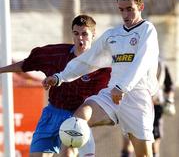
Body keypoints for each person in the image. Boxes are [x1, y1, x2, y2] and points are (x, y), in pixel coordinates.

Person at [43, 0, 159, 157]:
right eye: (121, 10)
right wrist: (60, 76)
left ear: (140, 7)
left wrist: (123, 87)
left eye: (130, 9)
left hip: (137, 98)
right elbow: (88, 60)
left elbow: (141, 62)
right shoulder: (113, 35)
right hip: (112, 94)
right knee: (77, 121)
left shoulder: (147, 30)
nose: (125, 15)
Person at [0, 15, 111, 157]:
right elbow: (28, 64)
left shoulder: (103, 65)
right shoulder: (57, 53)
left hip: (76, 118)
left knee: (68, 153)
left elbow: (116, 88)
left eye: (84, 34)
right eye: (76, 34)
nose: (80, 39)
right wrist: (1, 70)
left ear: (93, 35)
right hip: (53, 112)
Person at [120, 59, 176, 157]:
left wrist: (169, 101)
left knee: (153, 144)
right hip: (134, 107)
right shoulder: (134, 63)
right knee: (128, 142)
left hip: (155, 107)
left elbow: (169, 86)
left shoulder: (161, 65)